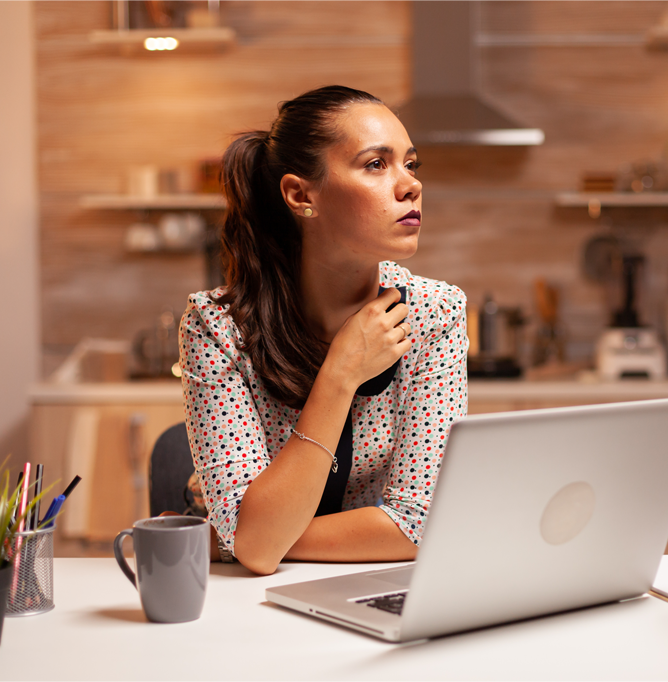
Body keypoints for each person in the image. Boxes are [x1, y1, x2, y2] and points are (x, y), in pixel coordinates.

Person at [178, 86, 468, 575]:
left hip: (378, 588)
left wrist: (240, 538)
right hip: (246, 605)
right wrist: (340, 373)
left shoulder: (435, 313)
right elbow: (258, 551)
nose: (410, 185)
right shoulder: (218, 328)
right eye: (377, 164)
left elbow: (419, 524)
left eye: (410, 165)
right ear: (300, 195)